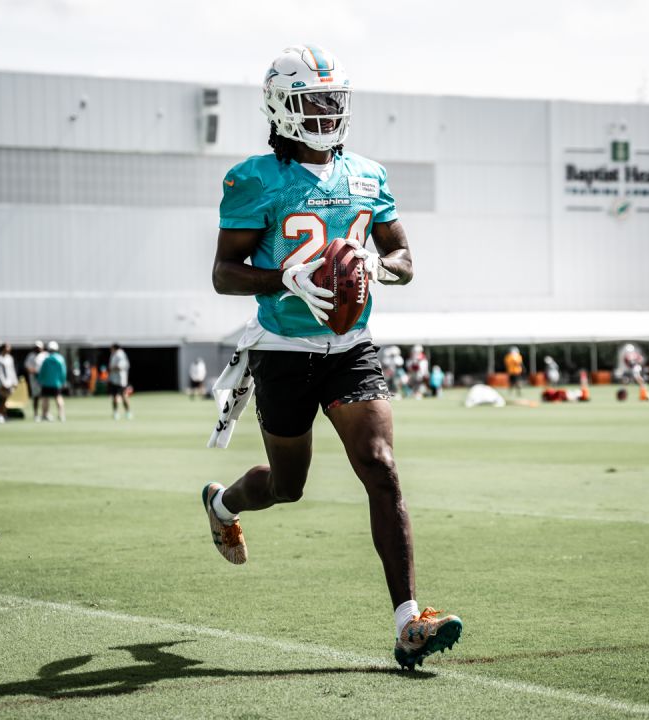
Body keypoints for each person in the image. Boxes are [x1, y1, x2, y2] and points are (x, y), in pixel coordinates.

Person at [202, 44, 460, 671]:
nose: (324, 112)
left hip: (352, 347)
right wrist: (282, 279)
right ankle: (222, 503)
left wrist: (375, 263)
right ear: (280, 107)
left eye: (332, 101)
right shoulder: (253, 178)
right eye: (311, 101)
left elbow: (405, 259)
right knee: (288, 486)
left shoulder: (369, 174)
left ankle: (408, 620)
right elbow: (223, 274)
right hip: (283, 351)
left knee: (381, 466)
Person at [39, 341, 68, 421]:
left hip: (46, 382)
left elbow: (42, 371)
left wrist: (40, 379)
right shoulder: (60, 359)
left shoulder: (46, 359)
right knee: (58, 398)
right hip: (57, 383)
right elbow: (63, 372)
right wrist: (63, 381)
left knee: (45, 399)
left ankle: (45, 414)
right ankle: (61, 415)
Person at [0, 343, 18, 423]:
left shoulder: (10, 358)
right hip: (0, 382)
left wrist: (14, 381)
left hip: (9, 382)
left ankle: (3, 414)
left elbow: (12, 371)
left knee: (5, 399)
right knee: (0, 399)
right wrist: (3, 383)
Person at [109, 343, 132, 420]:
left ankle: (128, 412)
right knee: (114, 397)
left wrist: (113, 368)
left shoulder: (120, 354)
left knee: (123, 396)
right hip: (114, 380)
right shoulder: (114, 355)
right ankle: (115, 413)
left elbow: (121, 366)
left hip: (120, 380)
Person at [24, 341, 47, 418]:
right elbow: (27, 367)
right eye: (36, 347)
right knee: (36, 397)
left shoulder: (45, 355)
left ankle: (45, 414)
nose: (38, 349)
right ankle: (36, 414)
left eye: (39, 347)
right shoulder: (31, 356)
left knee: (45, 397)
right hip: (34, 379)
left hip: (44, 379)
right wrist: (35, 372)